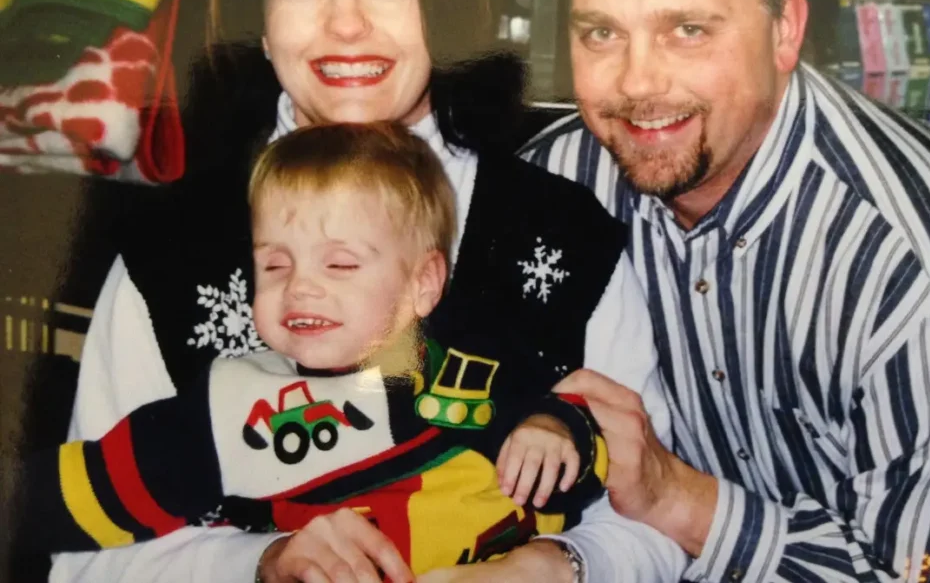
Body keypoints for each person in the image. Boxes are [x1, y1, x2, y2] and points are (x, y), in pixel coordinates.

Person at [50, 0, 688, 583]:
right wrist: (259, 562)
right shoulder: (168, 254)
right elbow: (84, 561)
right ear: (260, 22)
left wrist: (556, 566)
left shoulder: (562, 235)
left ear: (443, 9)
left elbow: (653, 524)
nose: (345, 25)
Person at [521, 0, 930, 583]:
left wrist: (676, 497)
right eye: (601, 32)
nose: (635, 84)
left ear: (784, 29)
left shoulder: (918, 262)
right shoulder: (554, 182)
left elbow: (913, 573)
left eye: (687, 29)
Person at [16, 122, 611, 573]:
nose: (300, 285)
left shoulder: (475, 365)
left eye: (341, 263)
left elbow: (585, 440)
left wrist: (555, 428)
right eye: (274, 263)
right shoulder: (231, 409)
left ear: (422, 284)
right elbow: (91, 489)